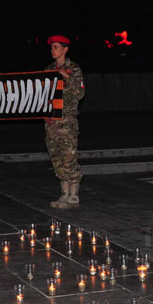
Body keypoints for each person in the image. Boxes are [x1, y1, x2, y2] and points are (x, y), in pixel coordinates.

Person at [44, 35, 85, 209]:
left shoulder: (74, 69)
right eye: (52, 47)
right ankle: (64, 193)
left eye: (56, 47)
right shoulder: (48, 69)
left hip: (67, 122)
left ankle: (73, 195)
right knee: (56, 157)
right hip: (52, 122)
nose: (53, 50)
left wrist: (64, 76)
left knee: (69, 156)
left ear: (65, 49)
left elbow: (80, 93)